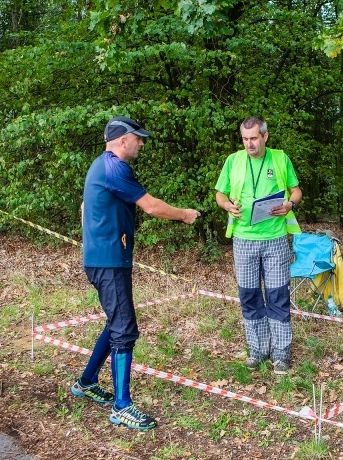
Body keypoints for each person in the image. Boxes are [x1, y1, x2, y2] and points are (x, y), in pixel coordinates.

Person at [71, 116, 201, 431]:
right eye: (138, 138)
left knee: (115, 323)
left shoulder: (99, 166)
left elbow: (84, 207)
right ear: (122, 139)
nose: (141, 143)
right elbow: (152, 206)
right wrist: (184, 215)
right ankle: (122, 406)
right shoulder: (115, 167)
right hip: (109, 262)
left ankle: (87, 382)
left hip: (104, 258)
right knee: (125, 330)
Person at [215, 116, 302, 375]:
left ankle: (281, 354)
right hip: (243, 240)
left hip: (275, 239)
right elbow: (220, 194)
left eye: (253, 138)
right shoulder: (233, 160)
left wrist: (289, 204)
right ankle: (257, 350)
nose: (249, 144)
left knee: (277, 296)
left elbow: (296, 191)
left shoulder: (280, 158)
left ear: (265, 136)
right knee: (249, 296)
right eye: (245, 139)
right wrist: (227, 205)